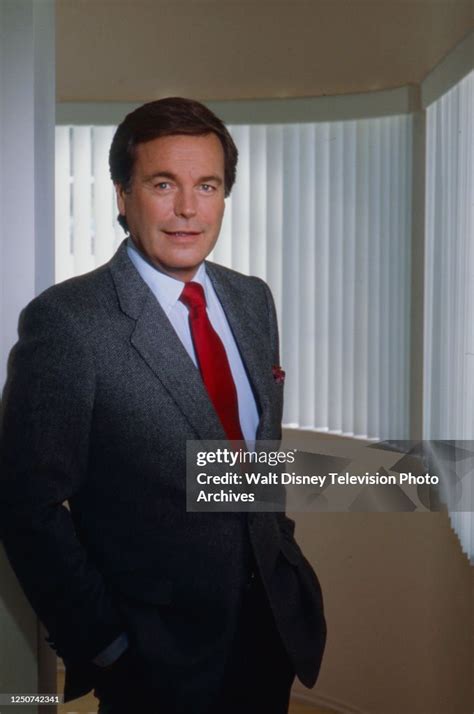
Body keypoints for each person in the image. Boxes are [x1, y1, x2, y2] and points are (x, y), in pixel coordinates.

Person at [0, 97, 326, 714]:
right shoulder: (68, 323)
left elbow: (258, 457)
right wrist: (107, 644)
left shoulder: (252, 300)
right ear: (123, 196)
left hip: (269, 632)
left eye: (206, 185)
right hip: (154, 660)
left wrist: (278, 552)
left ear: (225, 195)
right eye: (162, 184)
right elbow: (27, 504)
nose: (186, 209)